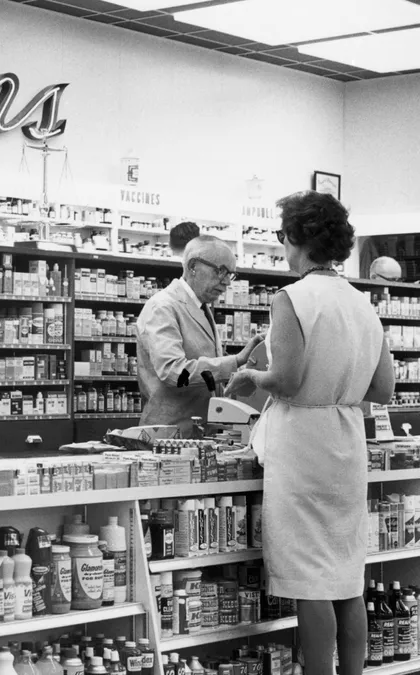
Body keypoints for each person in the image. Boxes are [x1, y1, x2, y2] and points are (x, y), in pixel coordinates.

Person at [226, 191, 394, 675]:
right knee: (346, 576)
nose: (283, 246)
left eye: (283, 236)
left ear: (298, 238)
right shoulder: (362, 302)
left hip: (303, 444)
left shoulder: (292, 297)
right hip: (347, 440)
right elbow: (382, 388)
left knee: (309, 579)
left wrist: (254, 377)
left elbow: (288, 381)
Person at [135, 235, 263, 431]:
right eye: (221, 271)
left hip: (198, 431)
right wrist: (235, 361)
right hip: (170, 435)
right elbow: (174, 372)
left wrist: (242, 374)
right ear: (193, 266)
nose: (227, 281)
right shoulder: (163, 307)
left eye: (231, 274)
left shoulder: (201, 306)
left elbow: (203, 361)